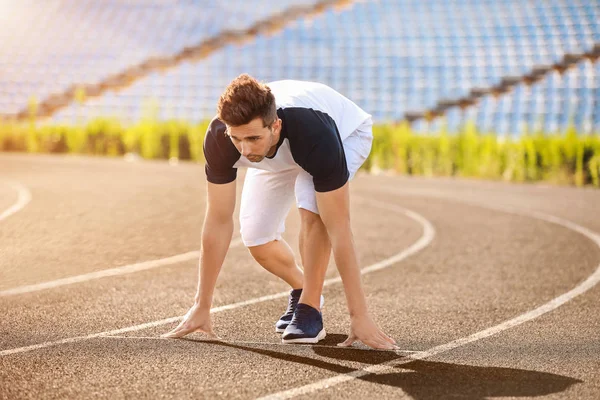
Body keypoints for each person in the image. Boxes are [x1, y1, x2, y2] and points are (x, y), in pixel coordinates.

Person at [163, 74, 397, 349]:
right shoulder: (220, 138)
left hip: (344, 134)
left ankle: (310, 307)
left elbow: (339, 228)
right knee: (256, 236)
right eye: (237, 138)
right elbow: (218, 220)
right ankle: (301, 286)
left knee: (314, 211)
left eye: (252, 138)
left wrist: (360, 316)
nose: (245, 150)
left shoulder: (315, 132)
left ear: (275, 126)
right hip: (277, 152)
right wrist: (202, 305)